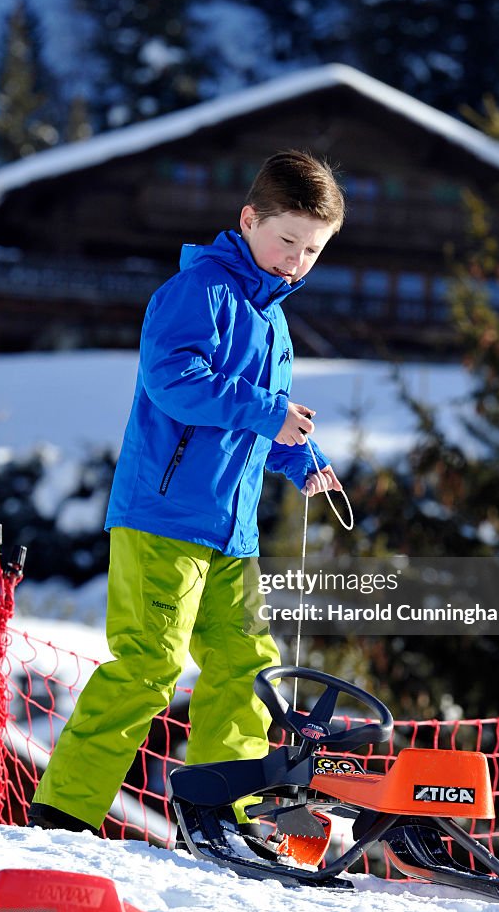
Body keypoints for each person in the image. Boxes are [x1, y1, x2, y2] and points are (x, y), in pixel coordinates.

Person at [29, 149, 345, 838]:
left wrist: (304, 459)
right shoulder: (197, 292)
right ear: (248, 219)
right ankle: (65, 810)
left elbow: (265, 416)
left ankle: (219, 813)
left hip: (231, 532)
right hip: (164, 514)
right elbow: (175, 380)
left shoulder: (274, 320)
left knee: (245, 668)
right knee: (150, 662)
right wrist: (269, 412)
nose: (295, 260)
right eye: (285, 239)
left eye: (312, 250)